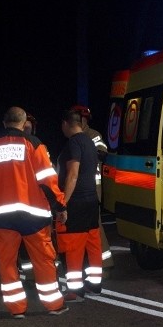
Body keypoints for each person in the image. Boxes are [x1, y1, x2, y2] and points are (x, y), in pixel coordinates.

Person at [0, 106, 68, 318]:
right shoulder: (34, 144)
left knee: (7, 262)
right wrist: (60, 206)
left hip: (1, 215)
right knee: (43, 260)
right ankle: (53, 305)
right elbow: (48, 180)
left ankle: (16, 309)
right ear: (24, 122)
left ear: (4, 122)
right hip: (33, 214)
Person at [56, 107, 104, 300]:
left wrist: (63, 203)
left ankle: (75, 289)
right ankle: (95, 283)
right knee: (93, 243)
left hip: (77, 202)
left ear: (66, 124)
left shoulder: (74, 143)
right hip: (92, 200)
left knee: (74, 246)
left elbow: (73, 174)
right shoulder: (89, 142)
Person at [70, 104, 114, 271]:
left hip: (92, 187)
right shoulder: (76, 137)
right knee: (86, 225)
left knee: (94, 224)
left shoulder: (92, 135)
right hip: (82, 187)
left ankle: (104, 263)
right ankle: (92, 261)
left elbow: (102, 152)